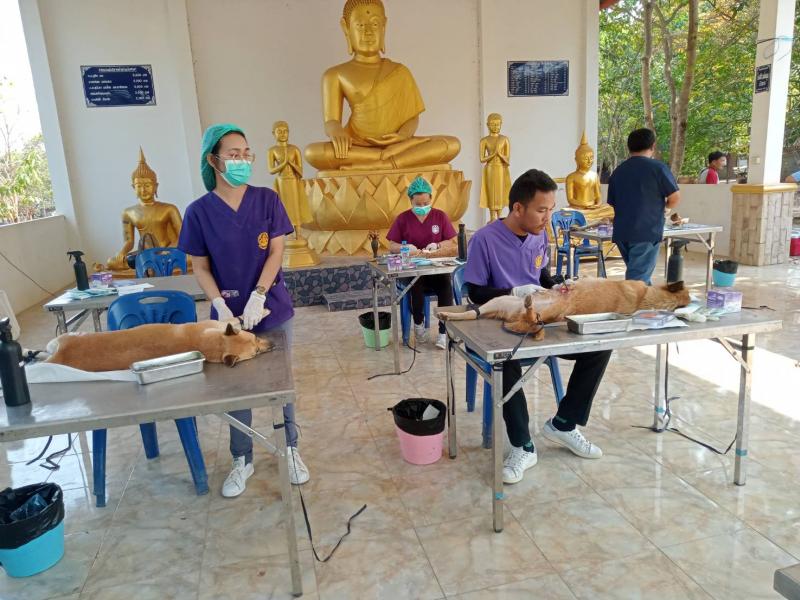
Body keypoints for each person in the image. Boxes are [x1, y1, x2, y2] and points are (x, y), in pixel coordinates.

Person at [178, 123, 310, 497]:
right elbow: (200, 267)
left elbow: (277, 252)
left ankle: (289, 448)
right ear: (213, 160)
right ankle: (242, 458)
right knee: (238, 386)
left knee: (280, 382)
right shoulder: (198, 212)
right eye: (233, 154)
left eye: (246, 153)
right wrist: (220, 305)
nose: (242, 160)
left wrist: (259, 295)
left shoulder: (267, 200)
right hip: (228, 318)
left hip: (272, 308)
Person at [464, 169, 612, 484]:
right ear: (518, 208)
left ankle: (564, 423)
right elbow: (474, 293)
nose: (548, 218)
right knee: (506, 358)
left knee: (598, 344)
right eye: (541, 210)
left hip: (540, 317)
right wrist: (513, 292)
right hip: (499, 322)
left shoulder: (539, 234)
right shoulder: (484, 240)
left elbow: (541, 276)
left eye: (551, 210)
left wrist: (557, 285)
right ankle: (523, 445)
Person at [386, 176, 457, 349]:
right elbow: (392, 245)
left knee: (446, 285)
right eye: (418, 204)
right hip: (413, 269)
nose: (422, 207)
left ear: (431, 199)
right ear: (411, 201)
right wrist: (405, 248)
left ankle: (443, 332)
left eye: (425, 203)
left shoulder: (440, 216)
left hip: (435, 269)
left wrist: (438, 245)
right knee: (415, 284)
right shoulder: (403, 219)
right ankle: (418, 325)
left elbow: (451, 241)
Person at [607, 128, 680, 284]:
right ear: (653, 146)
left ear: (629, 147)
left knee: (639, 274)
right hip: (646, 231)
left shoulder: (618, 171)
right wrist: (666, 208)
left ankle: (646, 298)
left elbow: (613, 203)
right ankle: (635, 300)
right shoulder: (658, 168)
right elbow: (674, 197)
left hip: (623, 232)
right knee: (637, 280)